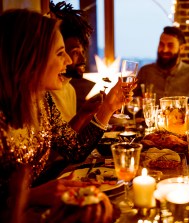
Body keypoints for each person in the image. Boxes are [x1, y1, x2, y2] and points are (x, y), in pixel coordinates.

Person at [0, 9, 131, 221]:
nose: (69, 61)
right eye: (61, 53)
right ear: (30, 57)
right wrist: (29, 196)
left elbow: (74, 150)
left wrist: (107, 107)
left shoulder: (42, 100)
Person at [49, 1, 100, 132]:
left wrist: (86, 113)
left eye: (83, 52)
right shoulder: (46, 93)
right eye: (75, 52)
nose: (83, 59)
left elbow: (70, 142)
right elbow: (61, 149)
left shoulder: (70, 89)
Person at [134, 26, 189, 112]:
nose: (164, 50)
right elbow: (131, 103)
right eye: (161, 44)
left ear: (181, 48)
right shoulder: (145, 72)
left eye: (170, 45)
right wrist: (137, 101)